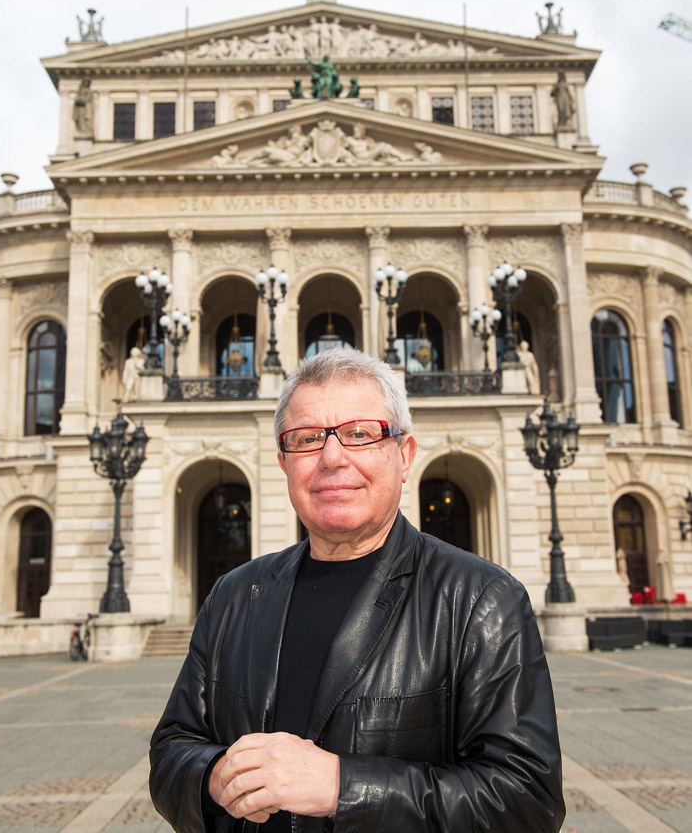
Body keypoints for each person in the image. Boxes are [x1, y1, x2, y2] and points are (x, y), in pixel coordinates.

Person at [150, 349, 565, 833]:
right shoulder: (235, 595)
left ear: (404, 455)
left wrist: (342, 787)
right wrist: (212, 776)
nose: (331, 458)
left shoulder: (481, 599)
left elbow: (527, 801)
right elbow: (171, 749)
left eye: (360, 434)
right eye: (306, 439)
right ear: (284, 462)